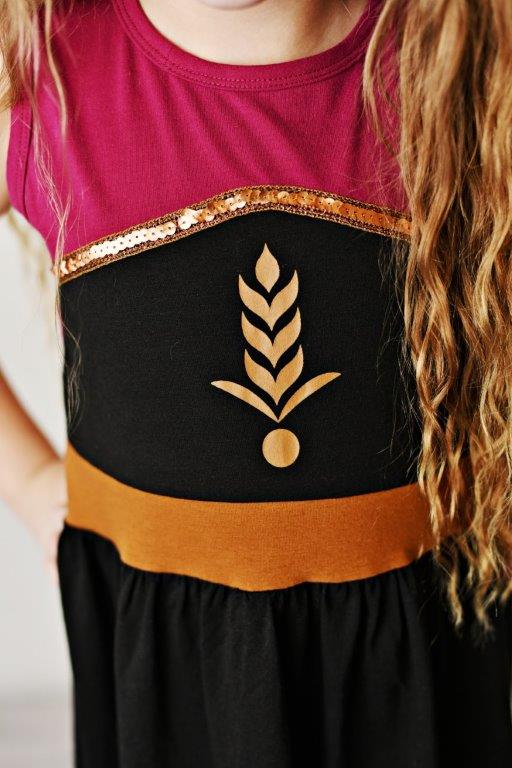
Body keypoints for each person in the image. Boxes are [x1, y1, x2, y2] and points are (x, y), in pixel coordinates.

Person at [1, 0, 511, 765]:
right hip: (162, 662)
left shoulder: (461, 54)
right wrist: (32, 480)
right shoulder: (43, 72)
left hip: (421, 642)